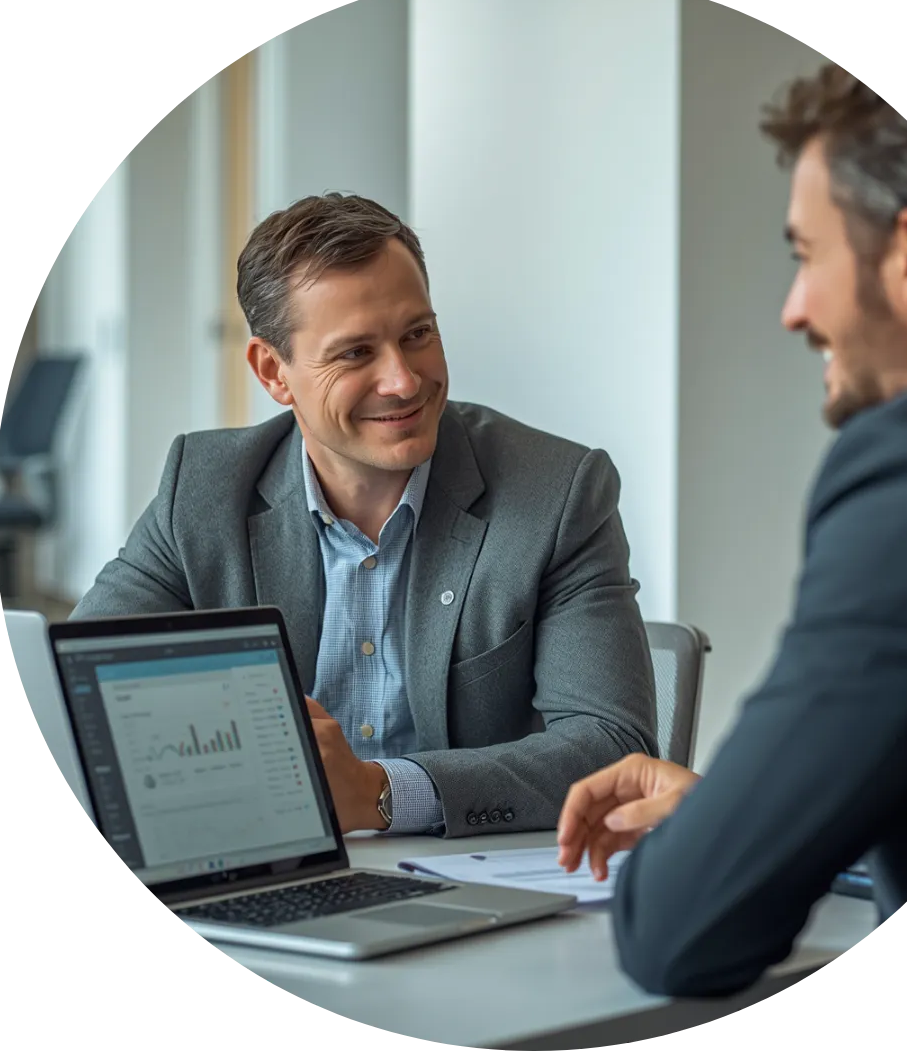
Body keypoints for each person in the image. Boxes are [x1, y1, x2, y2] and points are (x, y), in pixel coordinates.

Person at [556, 62, 907, 997]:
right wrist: (750, 815)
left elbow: (684, 931)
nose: (794, 308)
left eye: (805, 254)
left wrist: (724, 842)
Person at [71, 193, 658, 838]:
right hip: (266, 873)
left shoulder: (557, 494)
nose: (404, 381)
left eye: (418, 335)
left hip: (474, 884)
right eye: (355, 353)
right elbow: (80, 689)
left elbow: (613, 745)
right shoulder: (205, 491)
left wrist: (381, 792)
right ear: (274, 372)